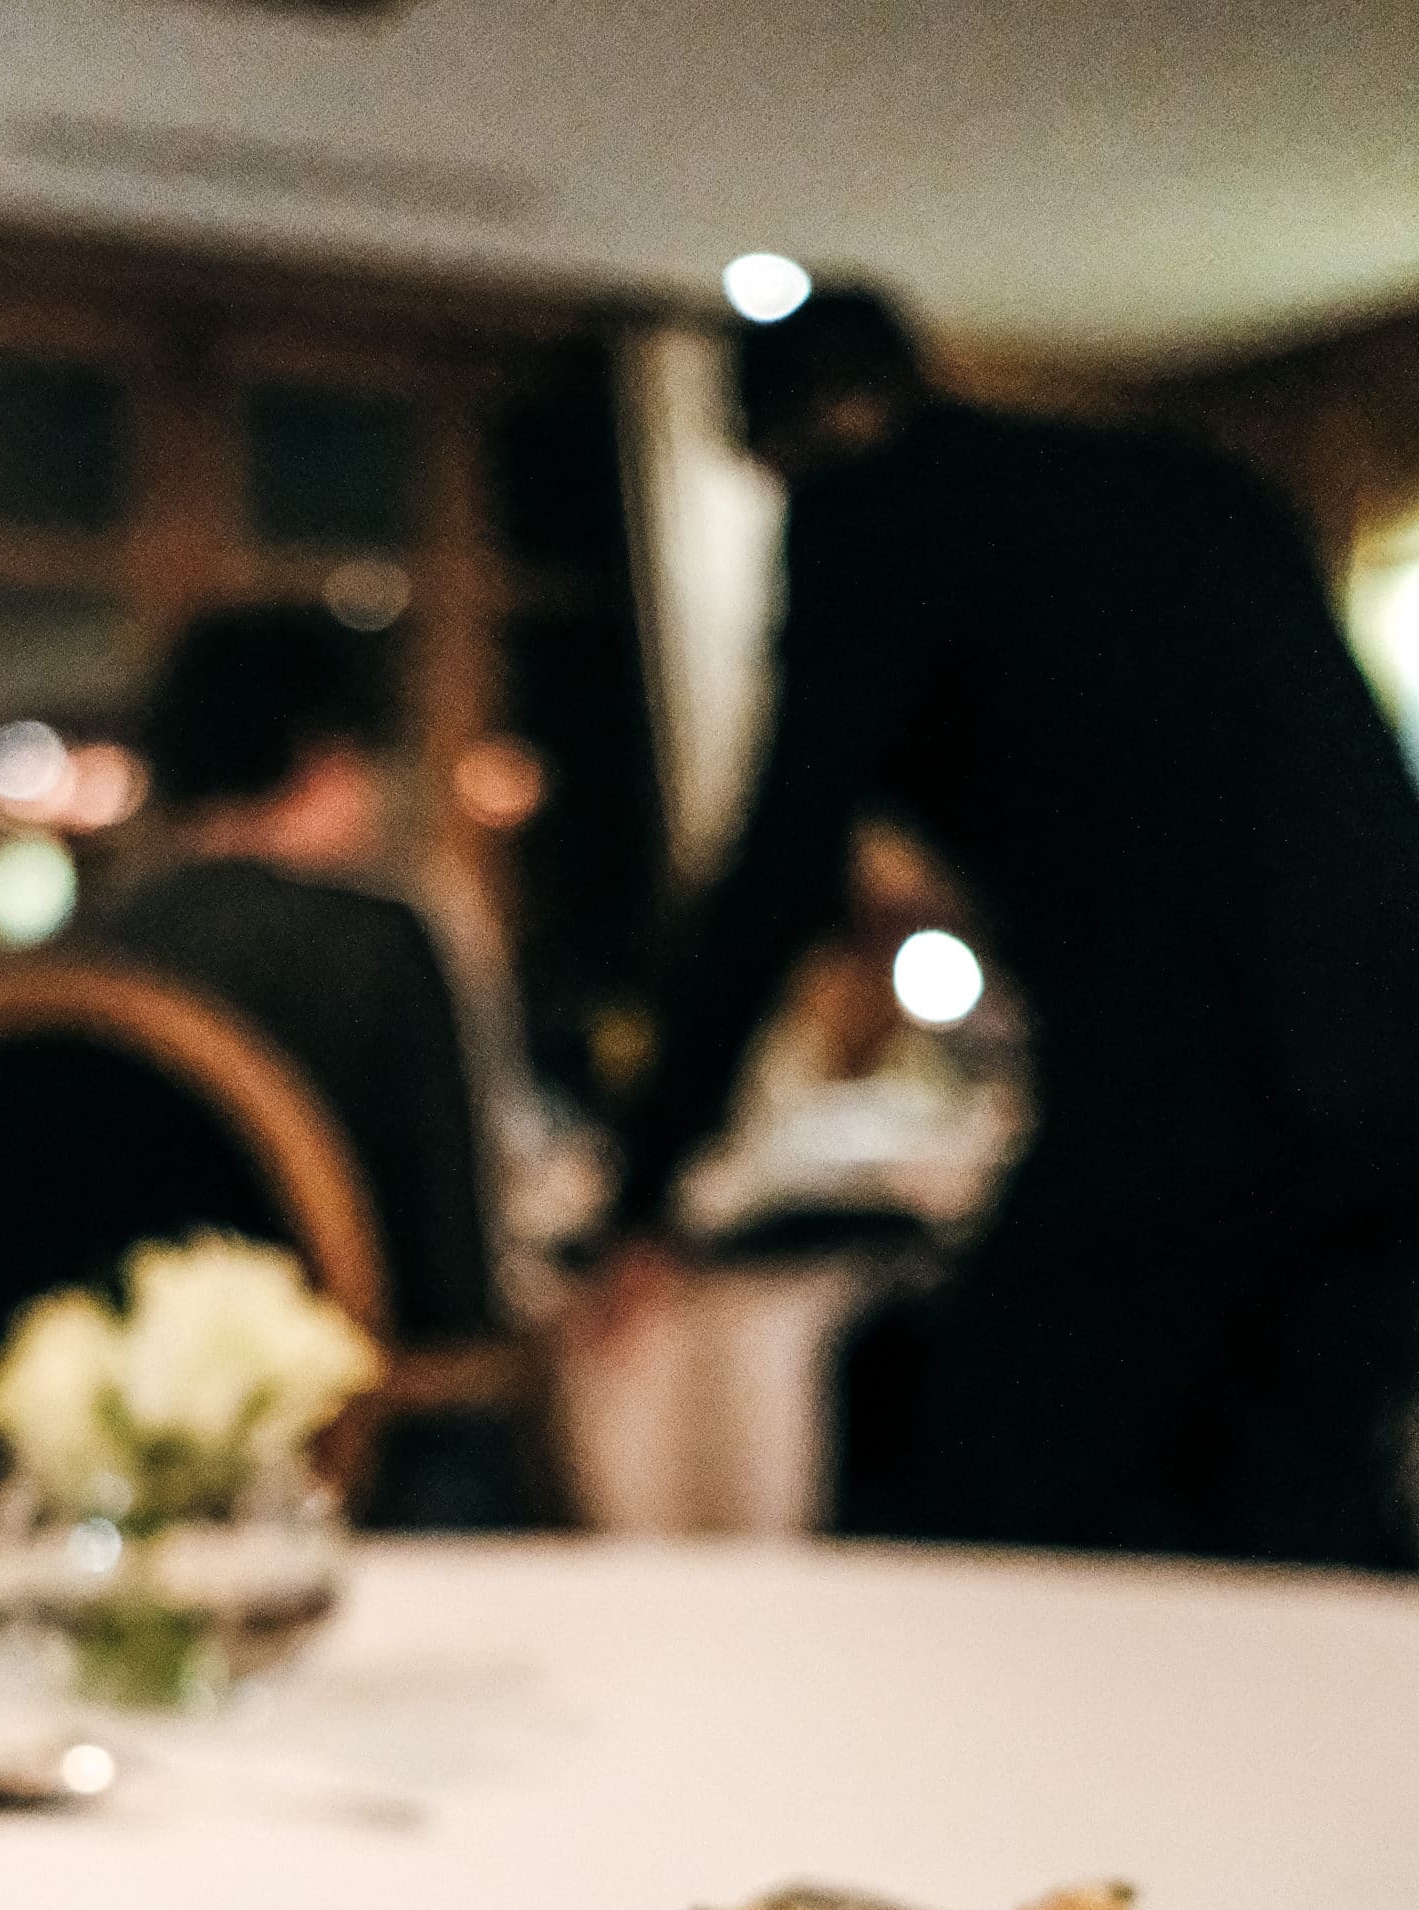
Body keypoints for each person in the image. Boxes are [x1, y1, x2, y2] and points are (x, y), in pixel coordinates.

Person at [611, 286, 1419, 1566]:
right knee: (1294, 1506)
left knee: (977, 1487)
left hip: (1191, 1074)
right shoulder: (1181, 480)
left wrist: (640, 1197)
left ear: (785, 436)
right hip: (1387, 1061)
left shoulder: (872, 510)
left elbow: (777, 870)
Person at [97, 605, 514, 1525]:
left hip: (118, 1477)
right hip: (359, 1482)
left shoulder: (78, 960)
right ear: (324, 756)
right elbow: (454, 1288)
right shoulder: (381, 946)